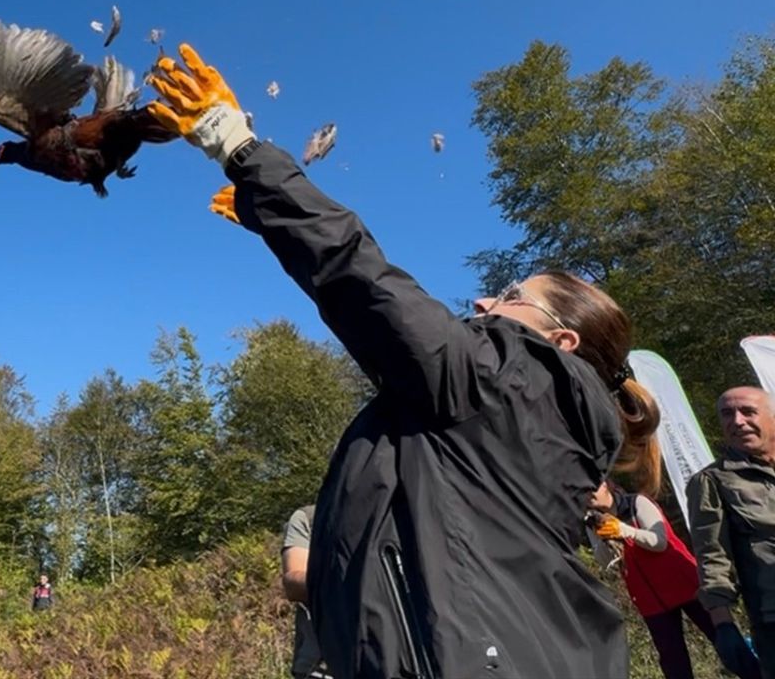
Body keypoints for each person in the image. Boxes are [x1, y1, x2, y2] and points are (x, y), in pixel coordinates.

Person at [147, 44, 662, 679]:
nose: (482, 300)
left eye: (509, 296)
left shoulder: (513, 377)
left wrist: (238, 145)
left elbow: (362, 278)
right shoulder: (521, 413)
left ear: (563, 343)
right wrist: (266, 211)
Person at [588, 481, 747, 679]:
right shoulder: (594, 521)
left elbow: (660, 542)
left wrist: (624, 530)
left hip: (685, 583)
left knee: (724, 640)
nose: (589, 495)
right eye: (583, 493)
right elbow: (605, 563)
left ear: (606, 486)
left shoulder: (637, 502)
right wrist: (602, 540)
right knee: (673, 662)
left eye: (592, 489)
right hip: (650, 599)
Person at [687, 386, 775, 678]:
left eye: (748, 411)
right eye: (727, 414)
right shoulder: (712, 481)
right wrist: (723, 624)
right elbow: (712, 556)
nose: (737, 421)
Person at [283, 505, 332, 679]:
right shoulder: (310, 518)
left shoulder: (404, 514)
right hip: (321, 667)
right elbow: (292, 584)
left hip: (400, 661)